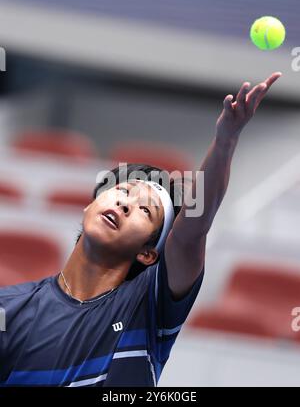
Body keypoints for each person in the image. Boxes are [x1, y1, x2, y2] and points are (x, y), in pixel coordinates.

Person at [0, 72, 281, 387]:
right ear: (88, 207)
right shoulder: (11, 308)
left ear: (149, 254)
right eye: (122, 192)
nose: (124, 204)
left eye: (145, 210)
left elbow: (191, 233)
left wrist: (226, 140)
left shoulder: (147, 307)